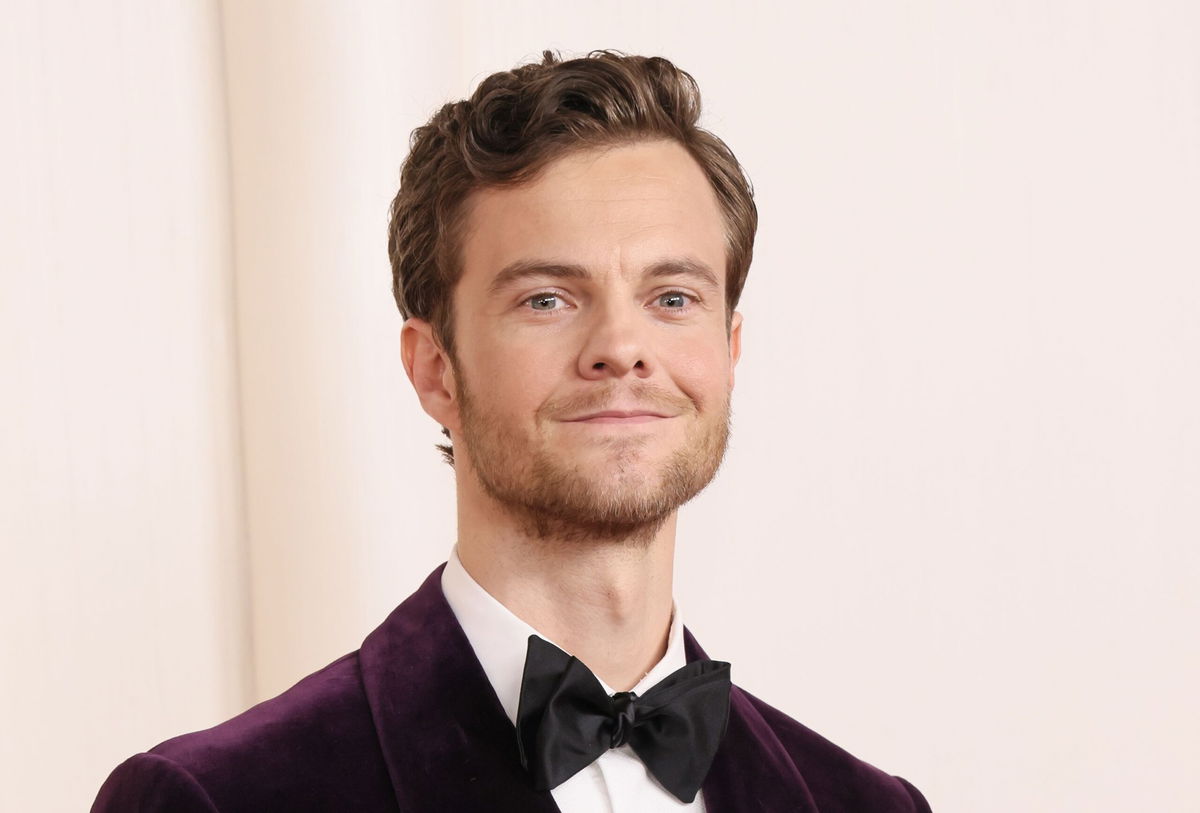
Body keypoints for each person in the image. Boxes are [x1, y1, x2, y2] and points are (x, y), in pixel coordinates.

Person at [93, 50, 931, 812]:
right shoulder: (213, 800)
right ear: (435, 370)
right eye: (547, 299)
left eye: (672, 297)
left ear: (729, 348)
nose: (621, 349)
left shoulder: (869, 805)